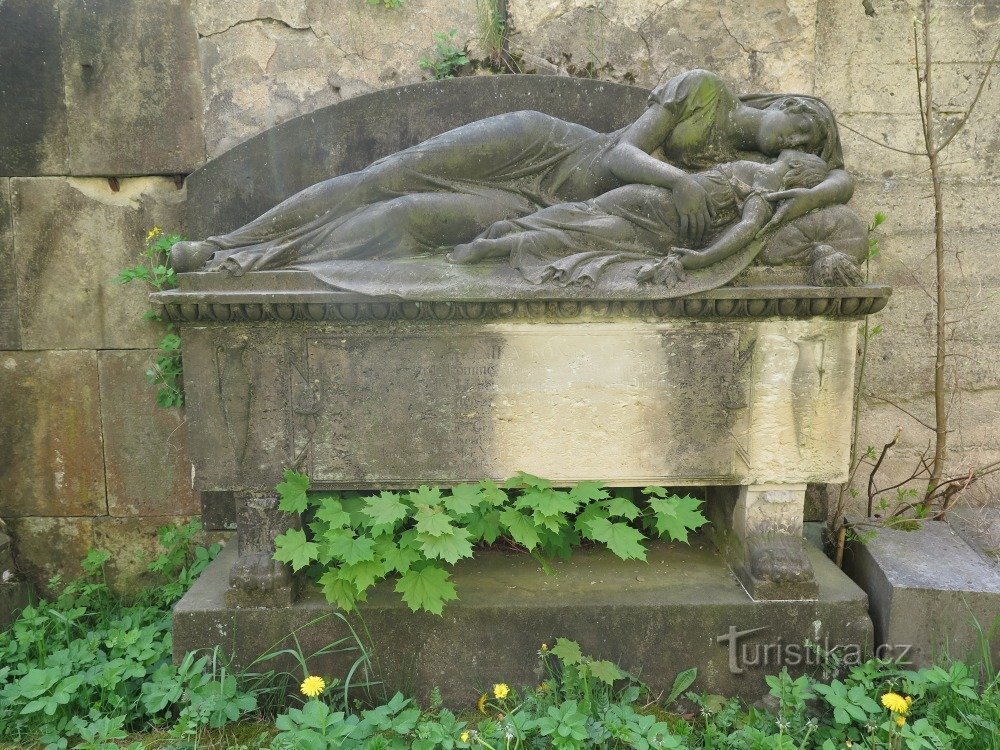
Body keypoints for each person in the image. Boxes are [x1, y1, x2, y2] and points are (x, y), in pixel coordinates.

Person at [169, 69, 853, 276]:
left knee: (404, 220)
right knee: (388, 174)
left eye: (808, 144)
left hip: (541, 211)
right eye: (804, 124)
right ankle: (225, 245)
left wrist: (817, 179)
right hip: (548, 150)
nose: (797, 140)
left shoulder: (745, 174)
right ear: (789, 102)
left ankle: (256, 265)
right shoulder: (703, 92)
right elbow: (618, 155)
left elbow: (837, 186)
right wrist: (676, 181)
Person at [446, 150, 846, 287]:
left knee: (581, 215)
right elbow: (745, 228)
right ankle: (498, 246)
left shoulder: (741, 165)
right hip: (655, 226)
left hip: (643, 197)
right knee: (581, 240)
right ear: (795, 174)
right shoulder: (763, 185)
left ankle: (506, 231)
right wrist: (703, 259)